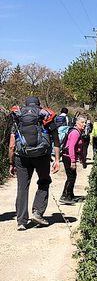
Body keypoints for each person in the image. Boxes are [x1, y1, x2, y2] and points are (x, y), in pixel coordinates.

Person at [8, 96, 60, 230]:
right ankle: (37, 213)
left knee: (22, 187)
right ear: (39, 105)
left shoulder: (18, 118)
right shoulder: (44, 116)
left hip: (21, 156)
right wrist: (57, 160)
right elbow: (55, 139)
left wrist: (11, 163)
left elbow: (12, 145)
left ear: (25, 105)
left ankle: (21, 221)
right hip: (42, 156)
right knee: (44, 181)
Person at [60, 115, 87, 205]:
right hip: (68, 156)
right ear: (77, 123)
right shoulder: (75, 133)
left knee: (72, 176)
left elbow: (80, 149)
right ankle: (65, 196)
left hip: (69, 156)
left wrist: (83, 161)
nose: (84, 124)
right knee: (71, 177)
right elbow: (71, 147)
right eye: (82, 122)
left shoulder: (79, 132)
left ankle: (70, 195)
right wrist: (73, 161)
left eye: (85, 123)